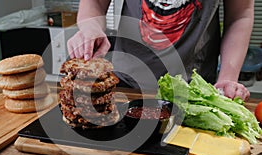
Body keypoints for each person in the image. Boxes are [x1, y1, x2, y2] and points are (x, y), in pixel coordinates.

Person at [67, 0, 253, 101]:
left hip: (196, 91)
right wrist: (90, 28)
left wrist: (227, 78)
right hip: (126, 86)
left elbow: (240, 14)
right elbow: (95, 3)